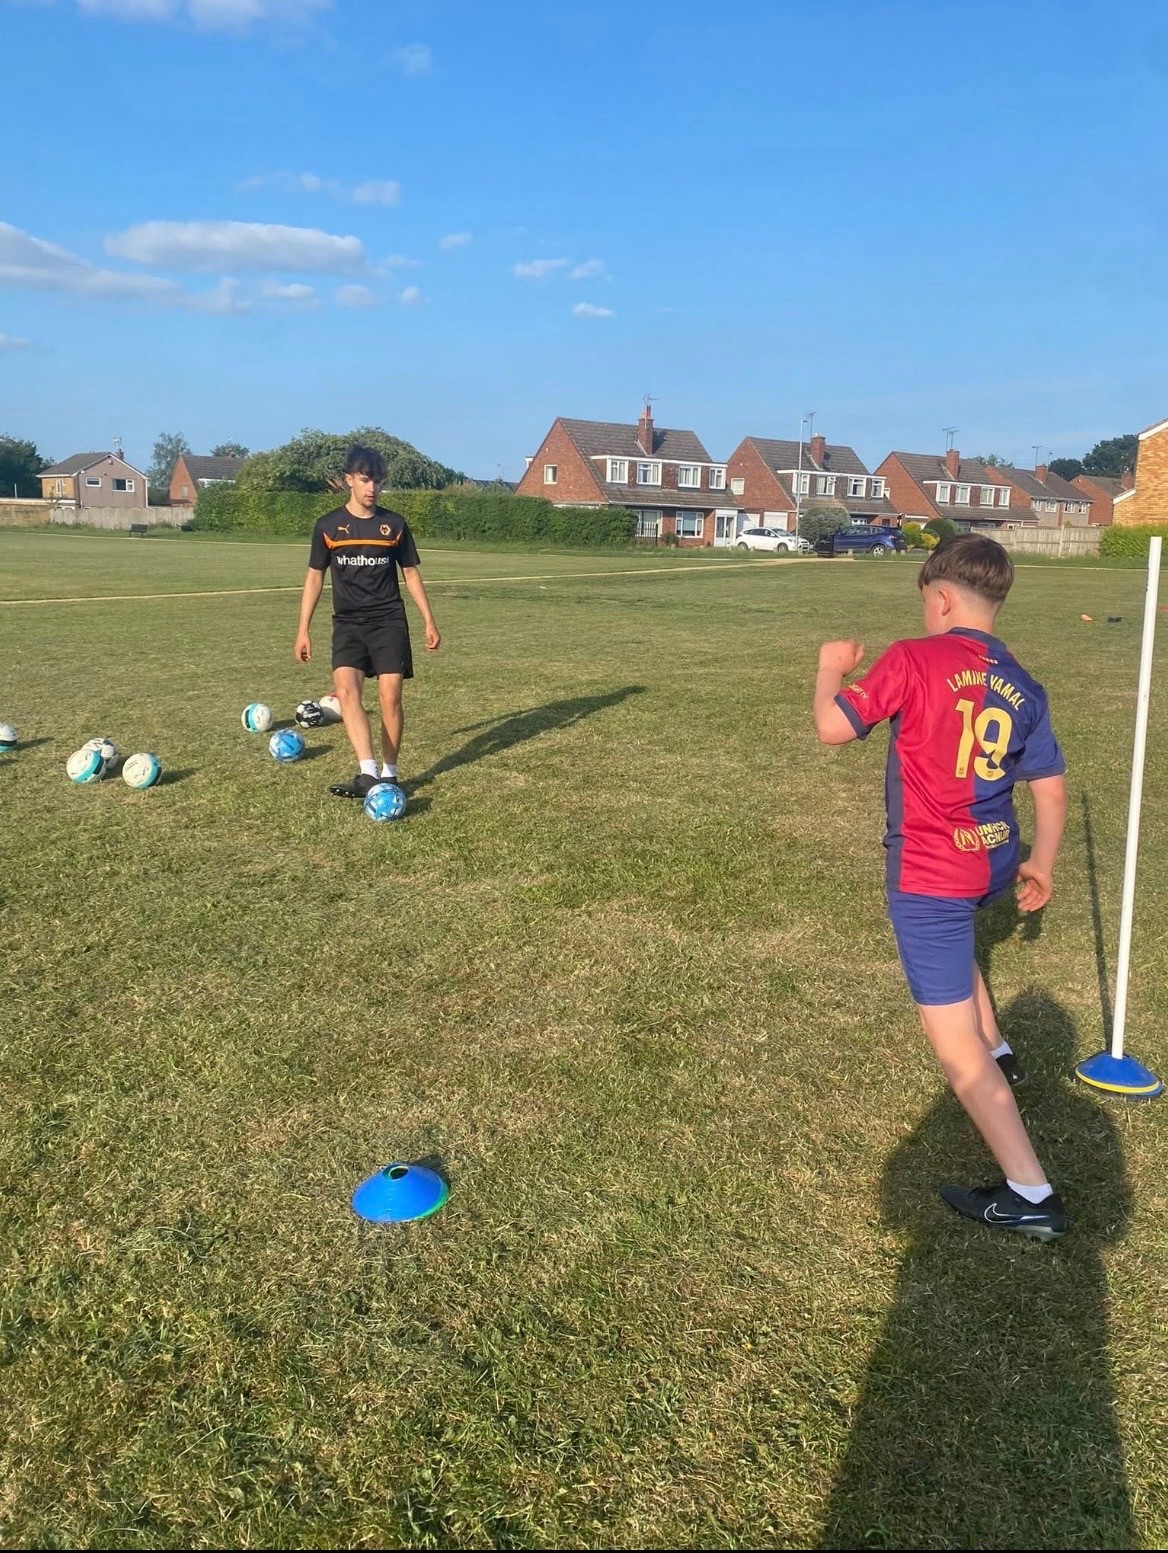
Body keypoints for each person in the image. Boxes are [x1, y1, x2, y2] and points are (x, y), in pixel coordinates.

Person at [813, 534, 1070, 1239]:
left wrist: (829, 670)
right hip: (992, 856)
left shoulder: (914, 656)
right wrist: (1040, 862)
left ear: (943, 597)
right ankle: (1002, 1051)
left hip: (931, 873)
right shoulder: (1024, 682)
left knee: (953, 1048)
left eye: (926, 603)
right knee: (965, 955)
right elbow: (1049, 789)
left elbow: (833, 727)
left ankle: (1031, 1191)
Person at [294, 444, 441, 800]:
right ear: (349, 481)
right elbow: (315, 577)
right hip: (347, 624)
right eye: (364, 480)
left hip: (388, 620)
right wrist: (303, 630)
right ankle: (367, 773)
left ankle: (390, 775)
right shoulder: (328, 526)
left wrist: (429, 620)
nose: (372, 488)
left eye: (377, 481)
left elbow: (410, 573)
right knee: (347, 694)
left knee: (390, 698)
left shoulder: (394, 525)